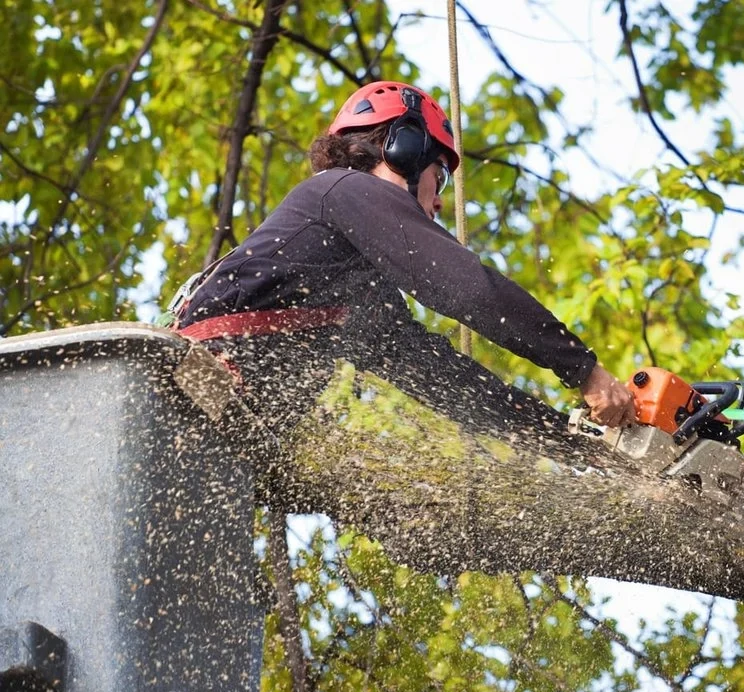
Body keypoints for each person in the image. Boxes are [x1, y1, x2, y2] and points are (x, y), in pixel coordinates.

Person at [173, 80, 636, 437]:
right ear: (404, 149)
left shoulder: (357, 289)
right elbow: (469, 288)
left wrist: (570, 437)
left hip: (219, 426)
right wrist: (584, 369)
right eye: (441, 176)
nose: (438, 203)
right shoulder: (343, 190)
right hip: (190, 390)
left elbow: (444, 380)